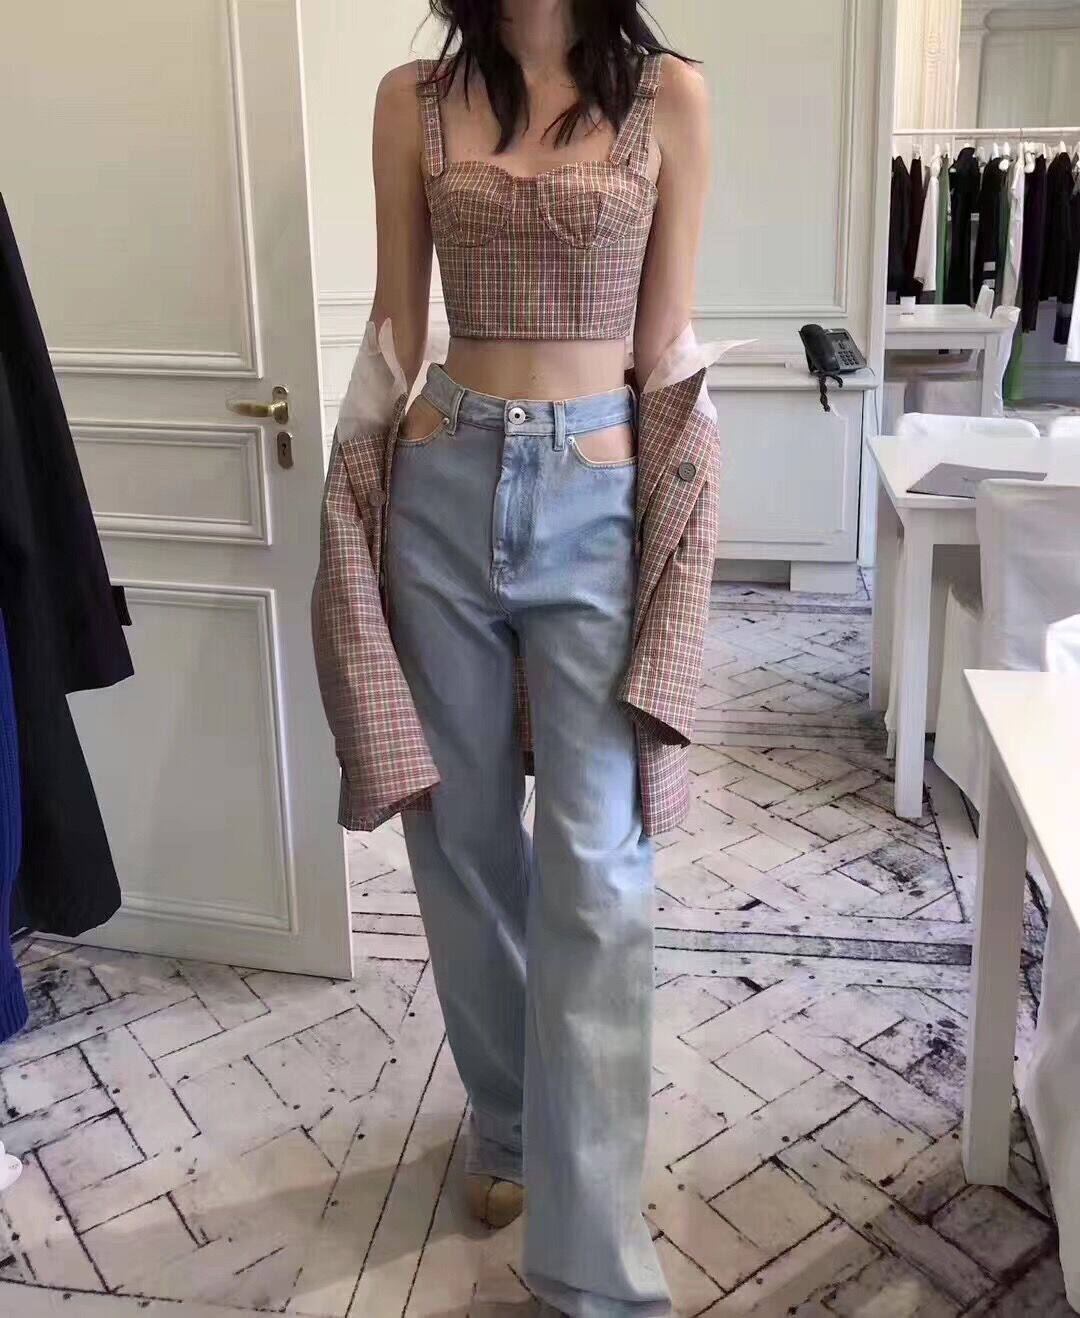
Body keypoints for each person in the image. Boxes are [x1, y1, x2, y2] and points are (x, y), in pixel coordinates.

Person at [313, 1, 716, 1311]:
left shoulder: (669, 97)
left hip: (596, 498)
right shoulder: (413, 100)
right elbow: (397, 328)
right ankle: (507, 1122)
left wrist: (680, 521)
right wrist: (354, 499)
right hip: (442, 482)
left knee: (601, 867)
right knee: (463, 837)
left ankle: (593, 1264)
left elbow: (666, 343)